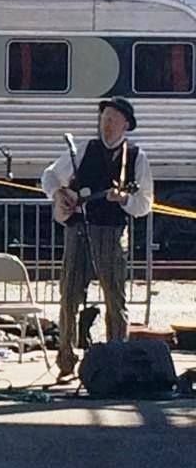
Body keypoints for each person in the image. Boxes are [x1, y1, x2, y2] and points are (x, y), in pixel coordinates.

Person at [41, 97, 154, 379]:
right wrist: (59, 194)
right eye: (104, 118)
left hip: (112, 233)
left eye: (113, 119)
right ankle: (66, 359)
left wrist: (124, 199)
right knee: (69, 295)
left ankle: (117, 359)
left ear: (125, 125)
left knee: (115, 298)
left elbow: (144, 204)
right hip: (78, 230)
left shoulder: (136, 157)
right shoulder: (83, 150)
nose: (107, 124)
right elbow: (50, 176)